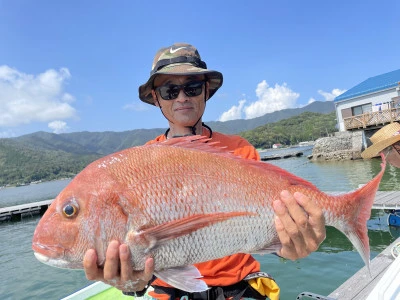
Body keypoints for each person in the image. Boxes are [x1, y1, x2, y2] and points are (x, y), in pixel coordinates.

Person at [83, 43, 326, 300]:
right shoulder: (141, 164)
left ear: (206, 91)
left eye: (192, 87)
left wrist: (291, 245)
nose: (182, 97)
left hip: (238, 287)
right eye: (169, 90)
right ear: (156, 97)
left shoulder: (239, 151)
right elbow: (139, 262)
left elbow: (266, 222)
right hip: (172, 291)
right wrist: (131, 282)